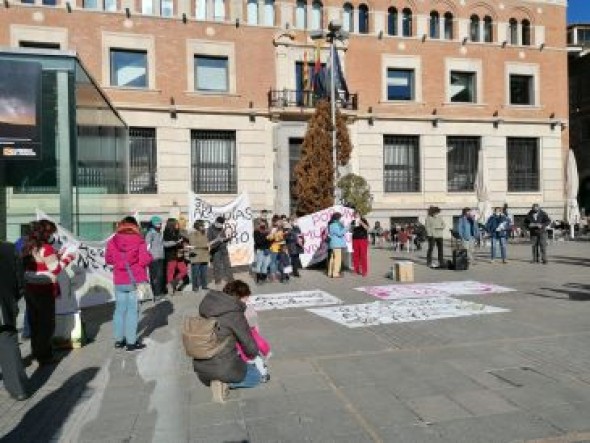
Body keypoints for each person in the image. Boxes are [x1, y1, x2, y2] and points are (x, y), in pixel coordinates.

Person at [193, 280, 261, 403]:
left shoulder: (208, 305)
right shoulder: (234, 314)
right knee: (257, 376)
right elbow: (250, 346)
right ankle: (225, 383)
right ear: (240, 297)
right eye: (246, 298)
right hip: (222, 367)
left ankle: (218, 379)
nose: (248, 302)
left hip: (201, 368)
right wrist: (254, 355)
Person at [22, 220, 76, 365]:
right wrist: (68, 257)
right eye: (51, 232)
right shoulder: (46, 248)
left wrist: (57, 256)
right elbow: (56, 270)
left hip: (30, 287)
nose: (53, 235)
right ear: (45, 233)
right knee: (46, 324)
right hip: (44, 288)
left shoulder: (28, 245)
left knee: (35, 323)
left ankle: (36, 352)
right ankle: (44, 356)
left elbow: (41, 263)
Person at [105, 216, 153, 351]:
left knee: (119, 310)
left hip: (119, 280)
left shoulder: (112, 241)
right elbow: (144, 261)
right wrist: (150, 256)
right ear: (135, 226)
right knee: (132, 311)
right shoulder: (139, 240)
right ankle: (131, 342)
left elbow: (108, 260)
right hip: (135, 280)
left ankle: (119, 341)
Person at [0, 240, 29, 400]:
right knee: (8, 343)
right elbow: (20, 281)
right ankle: (18, 389)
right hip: (5, 304)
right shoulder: (9, 248)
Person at [163, 218, 188, 294]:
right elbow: (166, 244)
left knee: (184, 270)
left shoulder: (178, 232)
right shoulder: (166, 233)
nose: (178, 225)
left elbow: (181, 242)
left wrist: (184, 246)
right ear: (172, 224)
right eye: (176, 223)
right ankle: (171, 289)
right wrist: (176, 242)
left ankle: (172, 284)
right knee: (170, 272)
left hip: (179, 255)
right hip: (171, 255)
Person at [207, 216, 234, 287]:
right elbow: (209, 243)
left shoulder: (222, 228)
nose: (221, 226)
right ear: (216, 222)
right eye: (220, 224)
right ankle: (217, 280)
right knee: (217, 266)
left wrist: (228, 238)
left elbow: (224, 238)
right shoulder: (210, 229)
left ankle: (231, 280)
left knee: (227, 265)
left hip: (224, 249)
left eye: (222, 224)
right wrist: (217, 240)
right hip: (215, 250)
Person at [145, 216, 165, 299]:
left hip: (160, 257)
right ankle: (156, 294)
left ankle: (159, 292)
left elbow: (163, 243)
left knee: (160, 276)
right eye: (158, 224)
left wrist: (174, 242)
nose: (160, 225)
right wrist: (149, 255)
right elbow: (147, 246)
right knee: (155, 276)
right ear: (153, 224)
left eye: (160, 223)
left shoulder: (159, 232)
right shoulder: (150, 233)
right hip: (153, 258)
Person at [187, 220, 209, 292]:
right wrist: (205, 245)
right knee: (195, 273)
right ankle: (195, 287)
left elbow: (207, 242)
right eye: (202, 226)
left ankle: (204, 285)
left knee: (204, 273)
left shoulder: (205, 233)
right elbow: (193, 244)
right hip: (196, 256)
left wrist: (209, 244)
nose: (203, 227)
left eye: (203, 226)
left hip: (204, 255)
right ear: (197, 226)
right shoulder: (192, 234)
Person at [327, 212, 347, 278]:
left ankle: (330, 272)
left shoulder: (331, 224)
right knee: (337, 259)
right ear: (338, 218)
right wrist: (345, 228)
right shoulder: (335, 225)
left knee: (332, 258)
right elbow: (340, 233)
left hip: (332, 244)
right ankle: (335, 273)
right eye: (340, 218)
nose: (341, 219)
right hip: (336, 244)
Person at [350, 211, 369, 276]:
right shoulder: (353, 221)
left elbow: (367, 228)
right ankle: (356, 269)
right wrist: (352, 227)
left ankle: (364, 271)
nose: (355, 216)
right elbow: (351, 230)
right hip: (355, 239)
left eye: (357, 214)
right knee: (355, 255)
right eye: (354, 215)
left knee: (363, 255)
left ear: (359, 215)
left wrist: (361, 222)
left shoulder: (364, 220)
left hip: (363, 239)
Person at [266, 216, 284, 282]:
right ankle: (272, 276)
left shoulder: (281, 229)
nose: (281, 222)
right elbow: (268, 238)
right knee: (273, 262)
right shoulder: (273, 229)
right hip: (274, 248)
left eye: (280, 221)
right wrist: (273, 235)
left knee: (277, 261)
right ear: (276, 222)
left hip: (279, 247)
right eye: (279, 221)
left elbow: (282, 238)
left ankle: (275, 273)